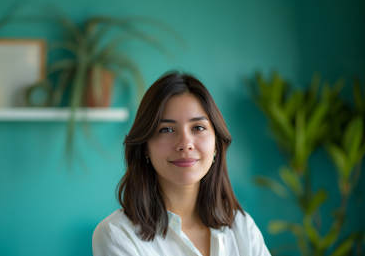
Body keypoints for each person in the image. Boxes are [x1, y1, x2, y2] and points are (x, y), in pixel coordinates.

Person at [93, 71, 271, 256]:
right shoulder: (117, 234)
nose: (185, 144)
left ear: (216, 144)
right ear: (145, 147)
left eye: (198, 128)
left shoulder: (242, 227)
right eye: (167, 129)